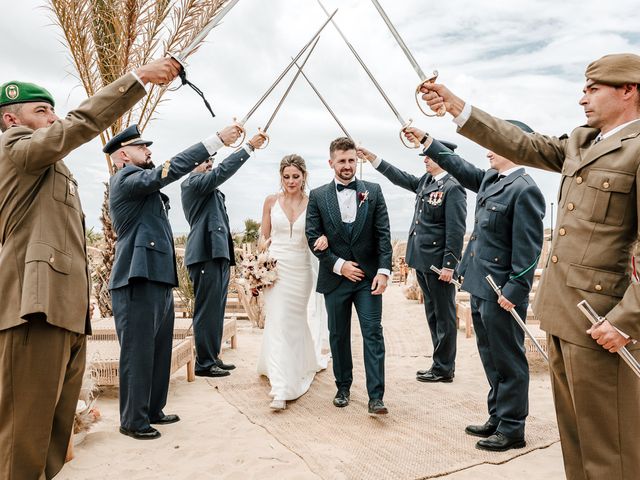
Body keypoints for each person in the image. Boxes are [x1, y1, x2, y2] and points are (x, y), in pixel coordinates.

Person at [421, 53, 640, 478]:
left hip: (604, 320)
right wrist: (455, 106)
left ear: (629, 90)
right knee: (576, 439)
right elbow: (520, 142)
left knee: (610, 446)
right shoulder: (581, 142)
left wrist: (628, 319)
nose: (583, 99)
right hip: (564, 313)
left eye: (594, 89)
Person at [0, 59, 179, 478]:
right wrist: (137, 80)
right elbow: (79, 125)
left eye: (52, 110)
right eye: (40, 111)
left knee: (53, 434)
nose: (53, 117)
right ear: (11, 119)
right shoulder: (16, 149)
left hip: (63, 309)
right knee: (23, 438)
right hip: (33, 307)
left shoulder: (47, 167)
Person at [107, 123, 262, 440]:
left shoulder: (140, 184)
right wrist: (215, 141)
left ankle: (152, 409)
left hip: (157, 275)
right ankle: (133, 420)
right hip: (136, 277)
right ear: (123, 154)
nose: (149, 151)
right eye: (142, 148)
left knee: (159, 348)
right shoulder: (125, 178)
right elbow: (169, 170)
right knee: (138, 351)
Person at [404, 122, 545, 452]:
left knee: (508, 359)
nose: (487, 149)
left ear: (514, 146)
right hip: (482, 285)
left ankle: (513, 427)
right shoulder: (492, 180)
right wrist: (426, 140)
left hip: (502, 293)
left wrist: (515, 290)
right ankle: (497, 416)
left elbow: (530, 248)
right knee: (491, 357)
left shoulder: (524, 188)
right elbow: (458, 166)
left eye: (495, 142)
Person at [357, 141, 466, 383]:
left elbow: (456, 230)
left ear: (444, 158)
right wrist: (373, 157)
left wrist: (450, 265)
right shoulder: (426, 183)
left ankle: (445, 368)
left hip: (439, 265)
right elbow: (398, 177)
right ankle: (439, 364)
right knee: (433, 315)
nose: (425, 160)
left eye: (429, 156)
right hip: (423, 261)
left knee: (444, 316)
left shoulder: (453, 187)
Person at [305, 137, 393, 416]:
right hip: (335, 279)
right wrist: (339, 265)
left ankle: (376, 397)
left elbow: (383, 235)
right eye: (341, 161)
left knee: (373, 334)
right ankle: (343, 387)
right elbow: (312, 237)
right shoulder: (318, 196)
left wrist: (383, 271)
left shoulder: (374, 191)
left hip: (368, 280)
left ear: (357, 161)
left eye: (351, 160)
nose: (347, 166)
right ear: (331, 163)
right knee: (338, 335)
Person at [181, 128, 267, 378]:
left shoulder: (209, 189)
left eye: (210, 161)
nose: (209, 165)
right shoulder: (193, 184)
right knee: (207, 309)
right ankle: (204, 363)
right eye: (205, 161)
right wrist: (248, 147)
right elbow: (221, 173)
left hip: (217, 254)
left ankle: (212, 356)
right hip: (204, 254)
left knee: (216, 309)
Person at [256, 154, 329, 410]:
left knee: (293, 321)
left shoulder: (314, 203)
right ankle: (281, 386)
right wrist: (258, 268)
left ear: (304, 176)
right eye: (286, 177)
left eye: (295, 176)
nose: (290, 181)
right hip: (274, 269)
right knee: (278, 320)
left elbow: (321, 235)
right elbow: (263, 239)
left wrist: (324, 240)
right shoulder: (270, 201)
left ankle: (298, 364)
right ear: (281, 176)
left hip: (301, 269)